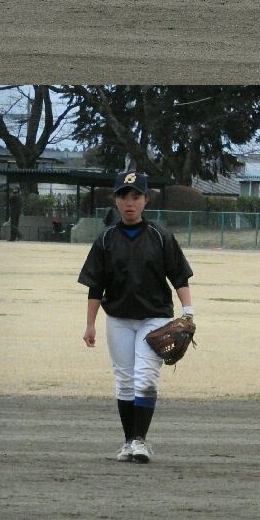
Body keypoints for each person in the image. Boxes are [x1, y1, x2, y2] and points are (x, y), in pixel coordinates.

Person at [79, 169, 195, 464]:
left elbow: (179, 276)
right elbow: (96, 285)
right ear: (115, 201)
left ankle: (140, 441)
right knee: (125, 380)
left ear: (145, 200)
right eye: (123, 196)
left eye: (136, 196)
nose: (129, 203)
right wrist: (90, 324)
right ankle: (129, 442)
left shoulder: (160, 236)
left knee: (145, 377)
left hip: (154, 318)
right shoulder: (106, 239)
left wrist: (188, 311)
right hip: (118, 318)